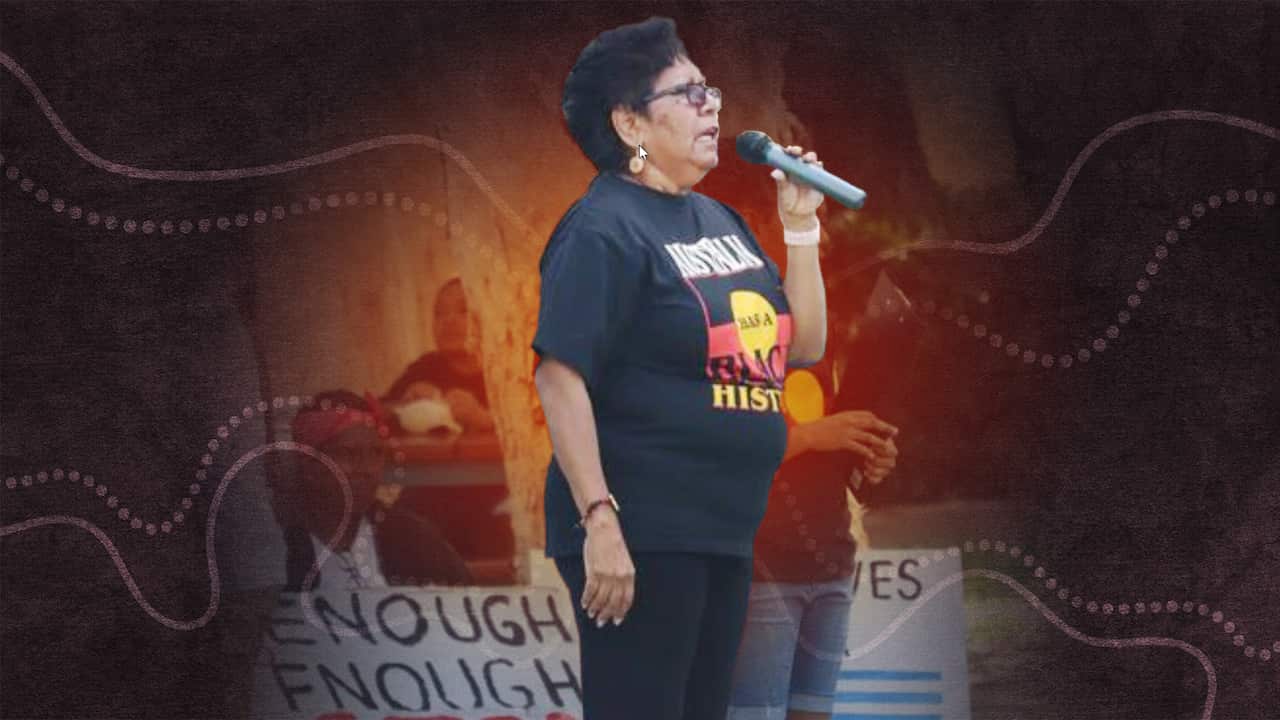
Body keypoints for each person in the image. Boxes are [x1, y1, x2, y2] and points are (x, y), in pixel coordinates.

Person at [532, 17, 830, 719]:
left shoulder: (720, 219)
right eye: (687, 93)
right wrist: (600, 523)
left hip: (721, 529)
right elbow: (559, 374)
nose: (711, 107)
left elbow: (801, 347)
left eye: (710, 90)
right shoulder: (602, 228)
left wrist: (802, 228)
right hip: (643, 529)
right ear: (630, 122)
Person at [727, 304, 902, 720]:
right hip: (765, 571)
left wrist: (872, 456)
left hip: (833, 568)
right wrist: (809, 437)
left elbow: (836, 453)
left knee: (813, 713)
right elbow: (722, 453)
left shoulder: (825, 338)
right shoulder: (728, 339)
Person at [274, 390, 471, 590]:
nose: (366, 468)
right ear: (310, 465)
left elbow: (465, 601)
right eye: (347, 453)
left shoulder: (410, 537)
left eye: (376, 453)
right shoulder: (280, 553)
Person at [386, 278, 494, 434]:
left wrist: (482, 418)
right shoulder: (426, 367)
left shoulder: (504, 372)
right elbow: (373, 413)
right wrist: (405, 406)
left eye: (463, 310)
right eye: (439, 313)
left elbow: (532, 429)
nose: (449, 320)